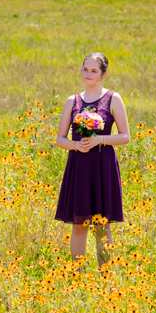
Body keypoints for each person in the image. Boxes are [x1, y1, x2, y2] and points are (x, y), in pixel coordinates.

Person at [53, 52, 130, 266]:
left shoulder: (113, 98)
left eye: (94, 70)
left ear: (103, 74)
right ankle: (78, 277)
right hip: (79, 166)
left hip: (103, 165)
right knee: (79, 224)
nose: (88, 73)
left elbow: (125, 136)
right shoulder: (72, 101)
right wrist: (76, 145)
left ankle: (105, 276)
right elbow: (60, 138)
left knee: (102, 224)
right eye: (85, 69)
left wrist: (99, 140)